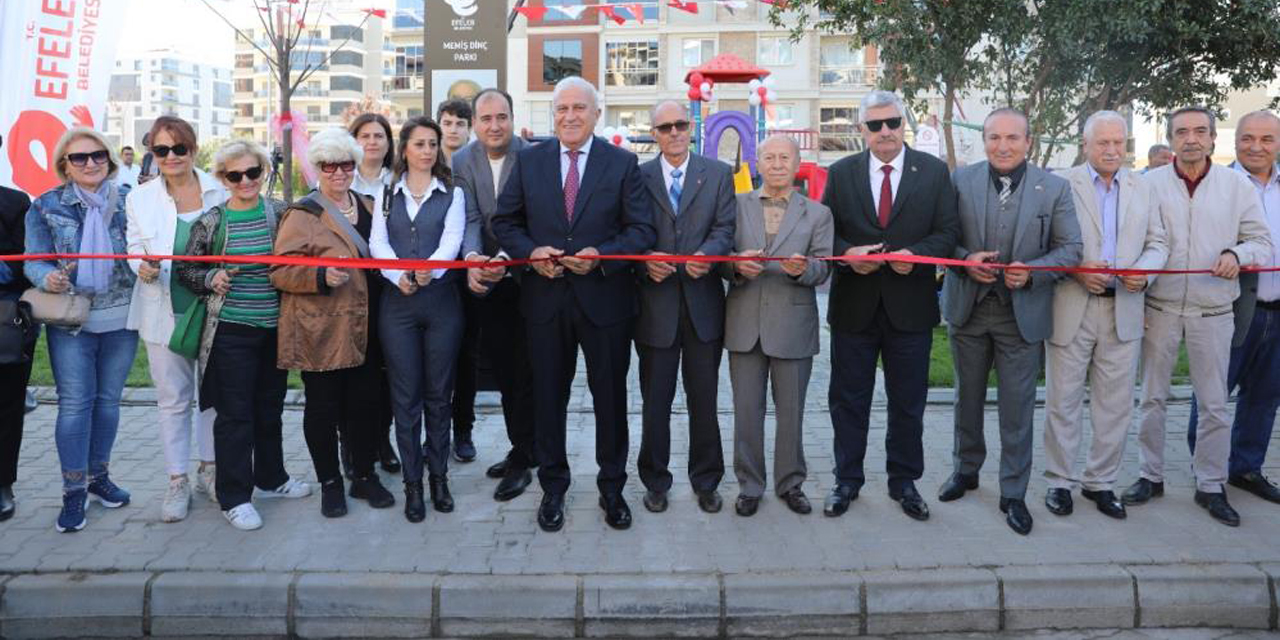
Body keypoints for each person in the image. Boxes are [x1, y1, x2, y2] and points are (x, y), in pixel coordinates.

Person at [492, 76, 656, 532]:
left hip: (605, 301)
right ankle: (553, 487)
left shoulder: (623, 164)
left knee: (610, 399)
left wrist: (602, 258)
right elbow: (505, 221)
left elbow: (641, 231)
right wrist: (530, 254)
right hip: (545, 301)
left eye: (578, 108)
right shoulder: (529, 162)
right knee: (548, 399)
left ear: (596, 113)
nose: (569, 116)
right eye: (561, 108)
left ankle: (612, 488)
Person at [1125, 106, 1272, 527]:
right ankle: (1149, 476)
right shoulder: (1148, 184)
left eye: (1200, 131)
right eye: (1182, 132)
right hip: (1161, 307)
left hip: (1214, 310)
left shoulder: (1235, 186)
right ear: (1171, 139)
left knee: (1213, 404)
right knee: (1152, 397)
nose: (1191, 138)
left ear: (1212, 139)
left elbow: (1261, 242)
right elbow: (1138, 242)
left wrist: (1236, 254)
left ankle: (1211, 484)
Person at [939, 108, 1082, 536]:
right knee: (966, 398)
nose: (1003, 146)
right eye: (994, 137)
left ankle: (1013, 492)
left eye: (1012, 138)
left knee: (1017, 408)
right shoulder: (959, 180)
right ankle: (965, 471)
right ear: (983, 140)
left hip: (1021, 313)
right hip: (969, 307)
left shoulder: (1053, 188)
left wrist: (1034, 270)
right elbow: (944, 236)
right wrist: (964, 261)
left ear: (1028, 142)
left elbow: (1071, 248)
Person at [821, 90, 959, 522]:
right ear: (862, 130)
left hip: (910, 308)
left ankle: (904, 482)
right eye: (876, 125)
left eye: (893, 123)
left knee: (907, 401)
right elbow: (827, 235)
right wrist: (849, 255)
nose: (886, 132)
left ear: (904, 125)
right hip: (854, 308)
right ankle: (847, 479)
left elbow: (948, 233)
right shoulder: (841, 173)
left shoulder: (934, 172)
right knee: (848, 400)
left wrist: (916, 255)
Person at [176, 140, 312, 531]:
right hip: (231, 330)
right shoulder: (212, 221)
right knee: (235, 416)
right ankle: (234, 496)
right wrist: (209, 276)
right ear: (223, 178)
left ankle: (271, 478)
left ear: (264, 171)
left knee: (269, 408)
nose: (246, 180)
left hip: (275, 327)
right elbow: (187, 269)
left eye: (253, 172)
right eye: (235, 175)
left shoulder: (281, 213)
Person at [1041, 111, 1168, 520]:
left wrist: (1144, 273)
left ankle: (1101, 482)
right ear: (1086, 145)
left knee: (1115, 405)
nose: (1113, 150)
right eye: (1103, 143)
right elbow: (1046, 241)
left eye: (1119, 143)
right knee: (1063, 400)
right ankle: (1059, 481)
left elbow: (1159, 241)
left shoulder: (1143, 187)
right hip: (1072, 305)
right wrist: (1077, 269)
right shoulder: (1062, 182)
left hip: (1125, 309)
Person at [271, 128, 397, 518]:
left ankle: (363, 474)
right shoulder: (302, 213)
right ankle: (330, 481)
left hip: (366, 325)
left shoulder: (370, 205)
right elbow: (279, 270)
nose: (339, 173)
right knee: (323, 409)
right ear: (318, 168)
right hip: (321, 329)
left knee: (366, 406)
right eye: (329, 166)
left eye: (346, 164)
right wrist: (319, 275)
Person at [25, 128, 139, 533]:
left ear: (108, 158)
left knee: (108, 402)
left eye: (98, 155)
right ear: (65, 166)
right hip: (72, 322)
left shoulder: (129, 200)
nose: (90, 163)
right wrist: (46, 278)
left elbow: (145, 251)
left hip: (122, 319)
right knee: (76, 404)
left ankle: (98, 478)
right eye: (79, 158)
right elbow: (33, 261)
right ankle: (73, 492)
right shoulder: (45, 206)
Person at [723, 134, 833, 518]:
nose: (776, 164)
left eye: (784, 157)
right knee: (746, 411)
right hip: (744, 324)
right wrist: (735, 265)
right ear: (758, 164)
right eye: (769, 157)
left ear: (796, 162)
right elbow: (723, 255)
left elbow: (825, 266)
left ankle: (791, 483)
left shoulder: (817, 213)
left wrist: (806, 270)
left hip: (793, 324)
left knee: (792, 412)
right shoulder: (735, 206)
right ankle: (749, 486)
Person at [634, 100, 736, 515]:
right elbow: (631, 229)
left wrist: (708, 255)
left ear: (690, 128)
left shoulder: (718, 174)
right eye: (664, 127)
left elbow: (726, 227)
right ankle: (655, 481)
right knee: (655, 402)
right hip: (654, 308)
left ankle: (706, 480)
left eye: (680, 125)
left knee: (704, 401)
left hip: (703, 306)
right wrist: (644, 261)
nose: (674, 132)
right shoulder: (637, 178)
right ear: (654, 133)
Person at [124, 116, 224, 523]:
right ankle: (177, 479)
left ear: (193, 149)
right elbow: (133, 246)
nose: (170, 157)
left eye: (178, 148)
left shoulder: (219, 189)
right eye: (161, 150)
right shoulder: (140, 198)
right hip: (164, 309)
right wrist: (139, 266)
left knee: (213, 398)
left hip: (215, 310)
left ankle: (211, 471)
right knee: (172, 400)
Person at [370, 116, 467, 523]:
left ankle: (438, 477)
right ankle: (412, 483)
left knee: (438, 395)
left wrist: (430, 269)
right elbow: (377, 241)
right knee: (405, 397)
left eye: (433, 144)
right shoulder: (386, 191)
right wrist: (400, 275)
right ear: (404, 148)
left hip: (441, 302)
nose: (427, 151)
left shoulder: (453, 192)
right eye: (419, 144)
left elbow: (453, 238)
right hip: (399, 305)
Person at [1186, 110, 1280, 505]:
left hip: (1277, 311)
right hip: (1232, 307)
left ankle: (1245, 468)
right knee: (1212, 393)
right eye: (1247, 138)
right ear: (1233, 140)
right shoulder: (1216, 184)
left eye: (1267, 139)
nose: (1256, 147)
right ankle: (1208, 472)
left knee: (1264, 395)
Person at [454, 88, 537, 501]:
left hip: (527, 277)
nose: (494, 125)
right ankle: (522, 447)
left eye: (501, 117)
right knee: (505, 372)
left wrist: (505, 256)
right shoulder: (461, 161)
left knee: (527, 373)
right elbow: (467, 215)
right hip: (485, 278)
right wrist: (472, 257)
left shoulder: (534, 155)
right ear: (474, 124)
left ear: (511, 115)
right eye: (485, 118)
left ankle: (526, 456)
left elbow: (532, 216)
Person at [347, 112, 400, 475]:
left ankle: (383, 439)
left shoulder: (399, 181)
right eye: (364, 135)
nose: (372, 142)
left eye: (379, 135)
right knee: (353, 369)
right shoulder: (338, 178)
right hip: (348, 289)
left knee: (387, 369)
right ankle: (350, 446)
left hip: (390, 286)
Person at [438, 97, 480, 462]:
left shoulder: (475, 166)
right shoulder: (426, 165)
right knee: (434, 362)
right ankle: (432, 433)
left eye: (460, 123)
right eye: (447, 122)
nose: (453, 129)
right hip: (433, 276)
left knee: (466, 357)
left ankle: (463, 429)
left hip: (467, 275)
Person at [0, 134, 35, 522]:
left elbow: (24, 264)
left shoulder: (15, 202)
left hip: (5, 318)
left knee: (7, 408)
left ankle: (3, 484)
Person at [437, 99, 473, 169]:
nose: (453, 130)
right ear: (438, 128)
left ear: (469, 130)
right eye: (447, 124)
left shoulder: (481, 165)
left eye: (460, 124)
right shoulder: (426, 163)